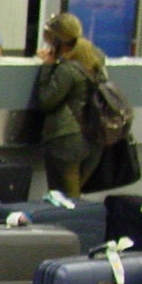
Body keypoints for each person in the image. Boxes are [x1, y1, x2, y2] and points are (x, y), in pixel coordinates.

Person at [35, 12, 107, 198]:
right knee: (74, 193)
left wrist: (47, 67)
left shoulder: (67, 69)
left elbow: (47, 100)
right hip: (94, 136)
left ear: (58, 40)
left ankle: (68, 226)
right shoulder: (95, 57)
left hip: (65, 139)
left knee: (63, 198)